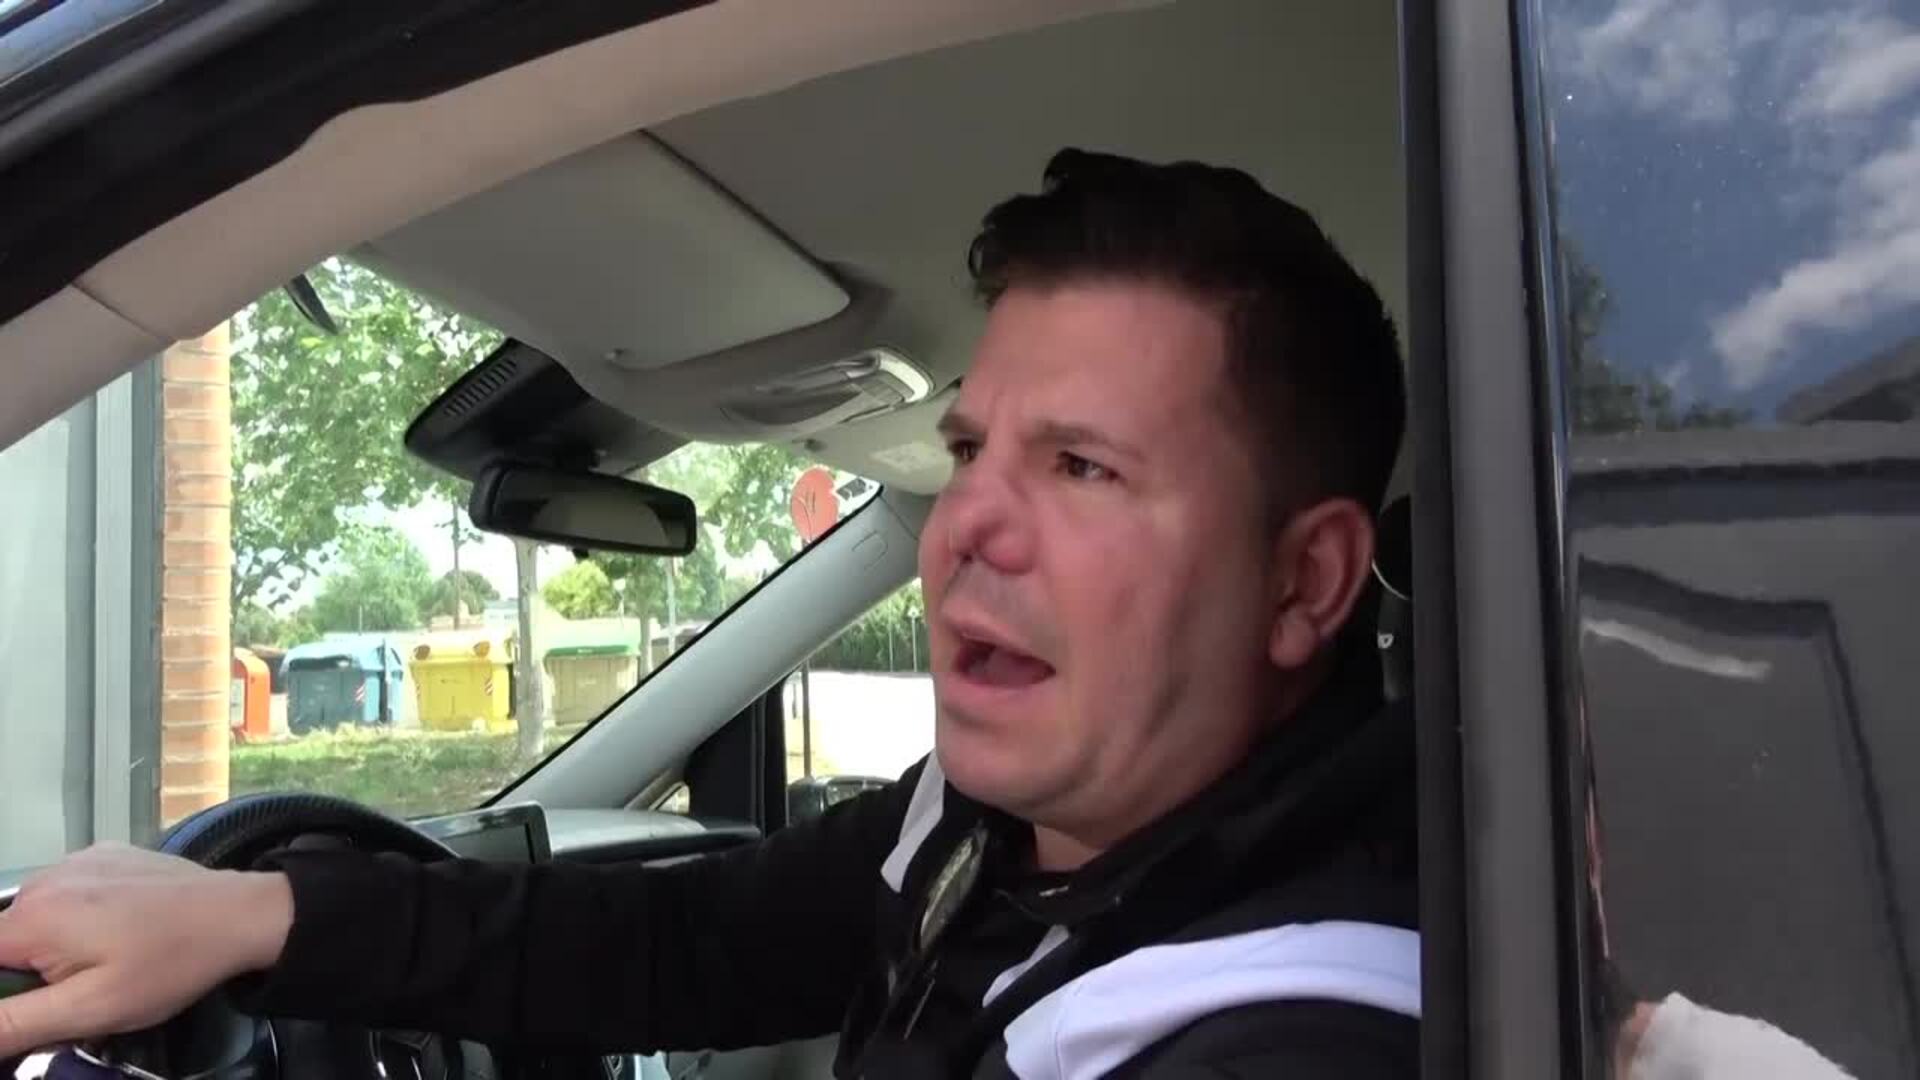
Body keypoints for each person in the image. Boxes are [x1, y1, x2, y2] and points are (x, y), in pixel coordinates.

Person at [0, 149, 1418, 1077]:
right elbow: (684, 945)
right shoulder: (993, 819)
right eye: (972, 450)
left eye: (1083, 467)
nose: (966, 529)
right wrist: (257, 914)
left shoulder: (1303, 1029)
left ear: (1304, 581)